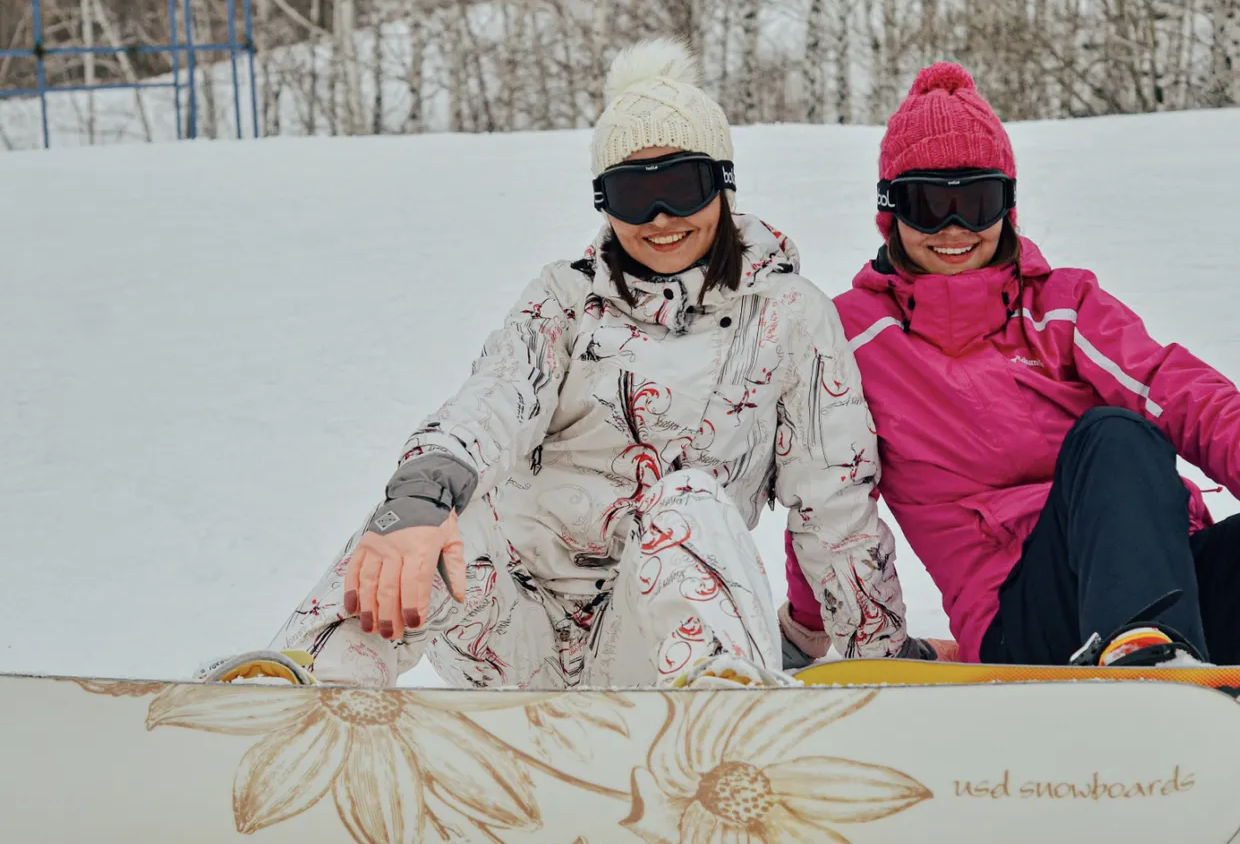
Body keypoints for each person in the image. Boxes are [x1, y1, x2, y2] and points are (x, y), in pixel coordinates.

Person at [206, 38, 913, 691]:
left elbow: (835, 504)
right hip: (518, 635)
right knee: (432, 522)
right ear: (605, 204)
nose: (660, 217)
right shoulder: (566, 300)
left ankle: (718, 715)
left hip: (658, 650)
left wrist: (882, 667)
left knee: (691, 501)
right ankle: (299, 697)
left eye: (684, 187)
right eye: (634, 194)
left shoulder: (787, 315)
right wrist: (420, 497)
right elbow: (494, 398)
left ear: (723, 186)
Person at [781, 61, 1240, 670]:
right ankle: (1152, 670)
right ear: (890, 213)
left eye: (976, 201)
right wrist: (807, 632)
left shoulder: (1060, 305)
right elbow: (826, 491)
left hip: (1176, 582)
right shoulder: (852, 339)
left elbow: (1174, 389)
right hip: (1027, 631)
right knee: (1114, 436)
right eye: (926, 205)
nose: (954, 229)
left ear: (1008, 205)